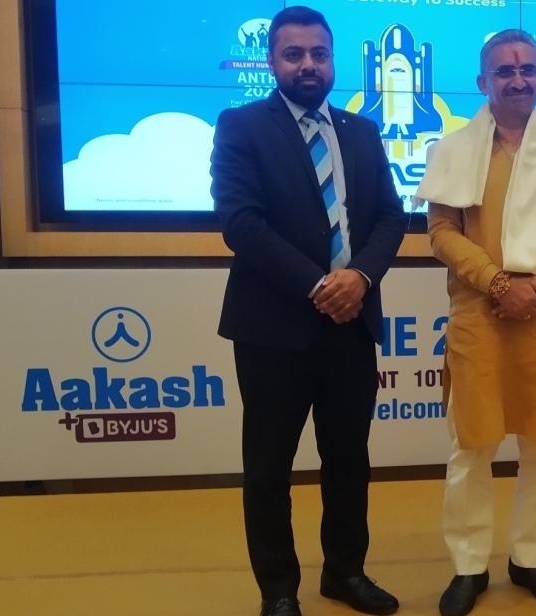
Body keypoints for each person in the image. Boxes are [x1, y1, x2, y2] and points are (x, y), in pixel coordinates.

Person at [210, 6, 405, 616]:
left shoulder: (361, 131)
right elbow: (241, 223)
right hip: (274, 330)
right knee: (269, 467)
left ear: (332, 60)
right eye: (293, 54)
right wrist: (322, 286)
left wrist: (360, 277)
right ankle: (278, 590)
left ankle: (345, 573)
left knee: (349, 461)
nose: (308, 65)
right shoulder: (242, 126)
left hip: (352, 327)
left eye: (318, 53)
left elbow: (390, 217)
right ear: (272, 62)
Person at [415, 29, 536, 616]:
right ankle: (469, 566)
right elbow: (441, 232)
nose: (518, 79)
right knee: (472, 447)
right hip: (482, 312)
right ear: (483, 82)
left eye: (528, 69)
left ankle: (530, 558)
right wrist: (499, 283)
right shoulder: (453, 149)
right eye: (505, 71)